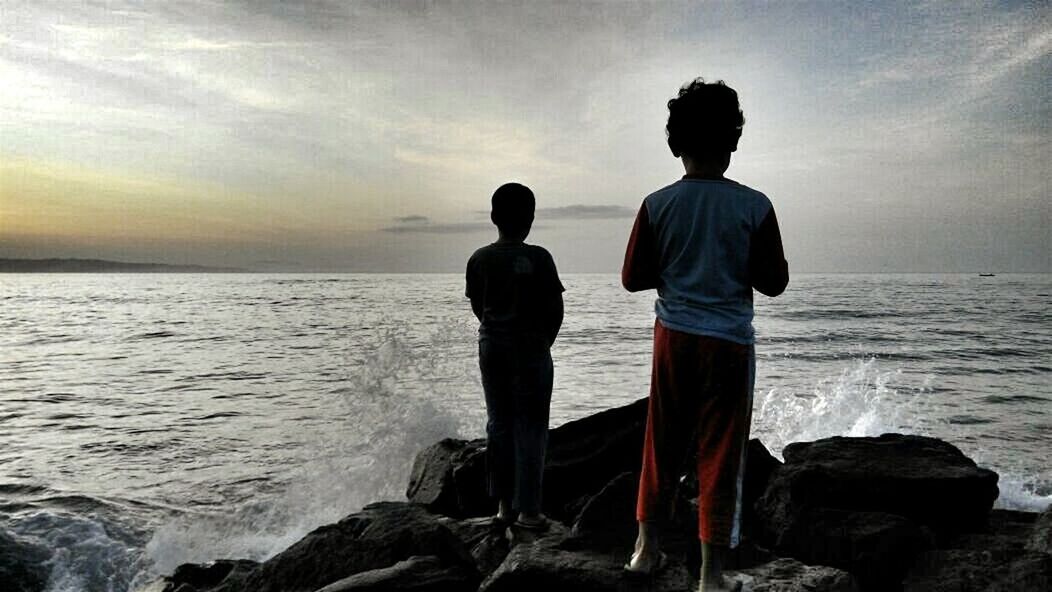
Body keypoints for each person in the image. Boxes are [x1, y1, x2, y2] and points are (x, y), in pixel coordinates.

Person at [621, 79, 789, 592]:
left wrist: (680, 266)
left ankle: (646, 551)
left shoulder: (657, 203)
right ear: (734, 140)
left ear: (675, 142)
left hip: (674, 336)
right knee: (721, 452)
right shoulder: (755, 206)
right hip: (729, 344)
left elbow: (633, 277)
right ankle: (710, 575)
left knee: (661, 442)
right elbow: (774, 283)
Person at [466, 182, 565, 530]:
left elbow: (479, 306)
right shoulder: (539, 257)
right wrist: (543, 343)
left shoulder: (479, 259)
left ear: (493, 217)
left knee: (499, 423)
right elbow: (555, 308)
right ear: (531, 218)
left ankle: (503, 507)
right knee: (532, 427)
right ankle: (530, 511)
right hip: (531, 347)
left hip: (491, 345)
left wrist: (498, 330)